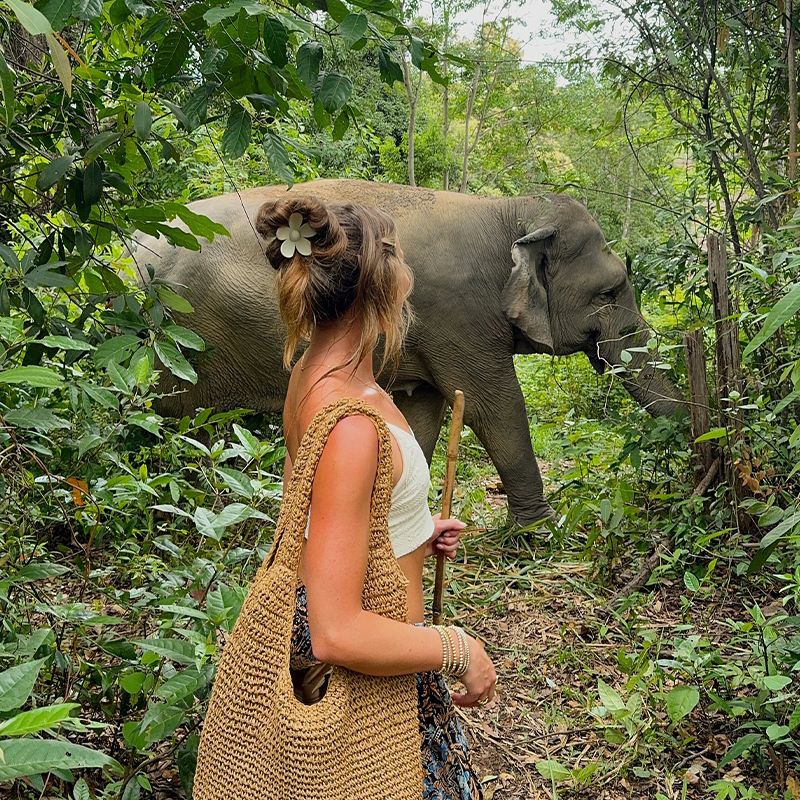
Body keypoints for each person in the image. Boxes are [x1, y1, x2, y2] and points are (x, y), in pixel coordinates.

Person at [254, 194, 497, 798]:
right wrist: (457, 647)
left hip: (388, 646)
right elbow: (335, 630)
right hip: (375, 676)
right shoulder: (352, 423)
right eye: (401, 259)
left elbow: (323, 514)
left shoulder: (314, 376)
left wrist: (411, 531)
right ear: (379, 283)